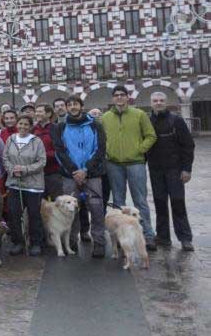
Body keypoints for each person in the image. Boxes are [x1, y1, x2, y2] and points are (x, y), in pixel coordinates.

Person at [102, 85, 158, 251]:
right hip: (113, 163)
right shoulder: (105, 117)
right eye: (116, 95)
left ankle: (148, 235)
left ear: (127, 97)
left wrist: (139, 150)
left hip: (135, 163)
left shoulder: (139, 114)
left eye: (122, 95)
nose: (119, 98)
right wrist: (107, 151)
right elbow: (101, 138)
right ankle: (122, 236)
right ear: (113, 98)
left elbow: (151, 135)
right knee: (118, 203)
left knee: (140, 201)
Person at [53, 95, 107, 258]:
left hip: (92, 175)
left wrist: (86, 170)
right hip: (70, 175)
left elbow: (100, 149)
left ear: (81, 106)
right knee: (70, 210)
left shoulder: (95, 125)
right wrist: (75, 171)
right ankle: (71, 242)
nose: (73, 107)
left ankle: (99, 243)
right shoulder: (61, 127)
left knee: (96, 208)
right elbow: (60, 151)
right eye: (70, 105)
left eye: (75, 104)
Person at [147, 91, 195, 251]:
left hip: (174, 169)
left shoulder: (176, 120)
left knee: (178, 202)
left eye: (161, 100)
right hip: (155, 170)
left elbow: (188, 145)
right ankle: (163, 237)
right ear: (151, 102)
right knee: (160, 203)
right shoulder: (147, 121)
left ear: (166, 102)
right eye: (155, 100)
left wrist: (187, 169)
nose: (158, 102)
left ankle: (185, 238)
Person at [3, 114, 47, 256]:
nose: (22, 127)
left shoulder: (37, 141)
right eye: (20, 124)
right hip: (15, 183)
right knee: (14, 214)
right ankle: (18, 242)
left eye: (26, 124)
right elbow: (5, 158)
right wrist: (12, 169)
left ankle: (36, 243)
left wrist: (25, 169)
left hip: (33, 185)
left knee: (34, 214)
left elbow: (42, 162)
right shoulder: (10, 139)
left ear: (30, 126)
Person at [34, 104, 62, 201]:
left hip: (53, 172)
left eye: (40, 111)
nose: (37, 114)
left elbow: (60, 150)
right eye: (36, 111)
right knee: (39, 204)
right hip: (37, 173)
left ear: (49, 113)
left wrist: (44, 155)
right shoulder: (33, 130)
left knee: (56, 201)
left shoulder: (56, 129)